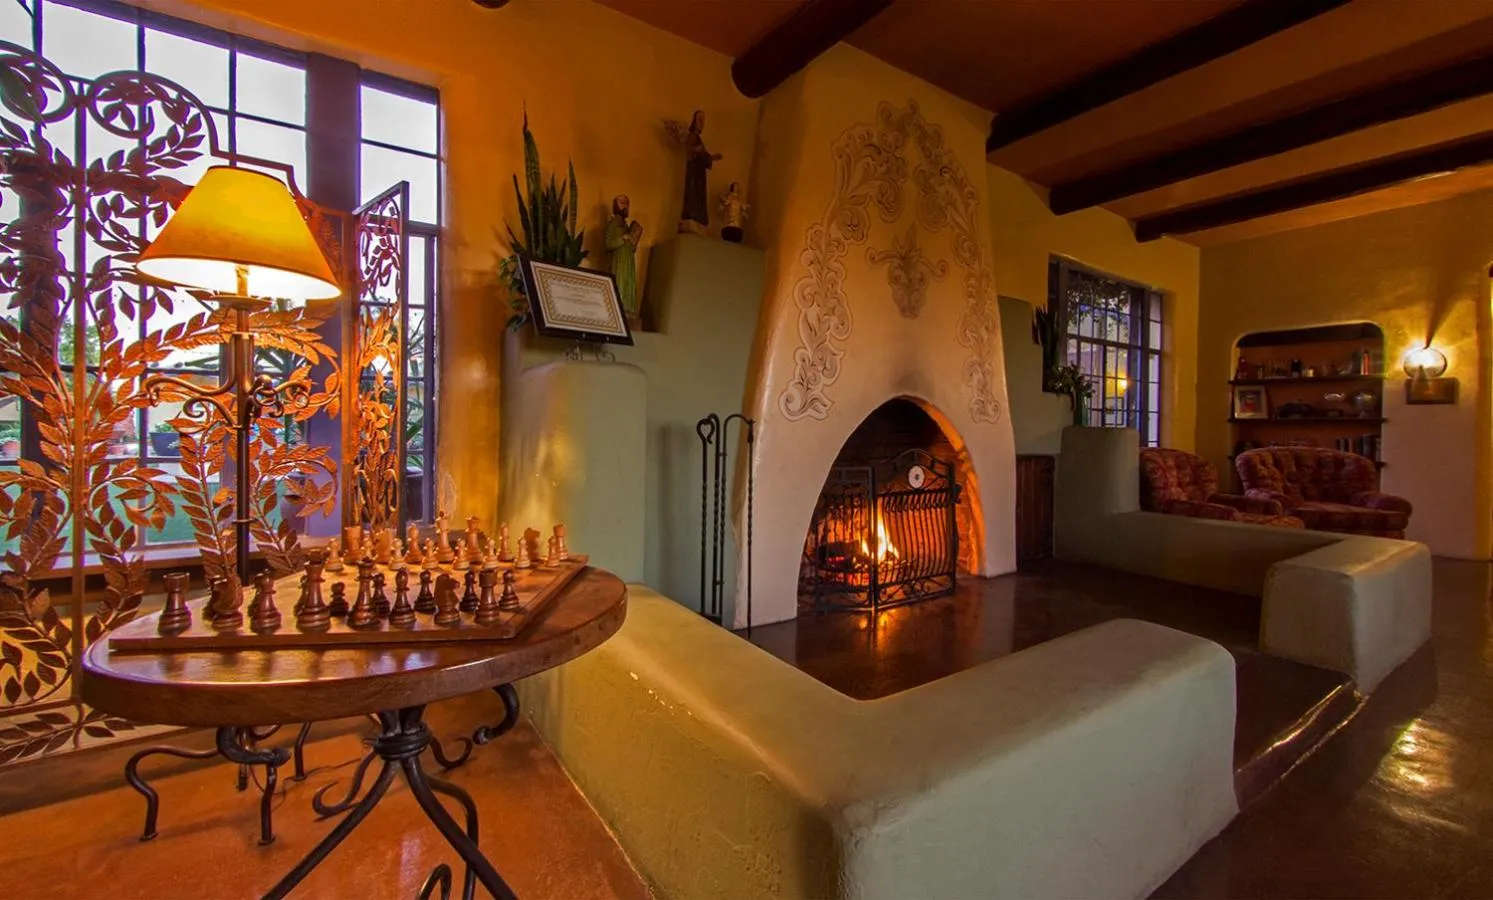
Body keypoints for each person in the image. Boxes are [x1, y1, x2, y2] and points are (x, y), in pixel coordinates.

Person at [605, 194, 644, 323]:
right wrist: (622, 238)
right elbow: (608, 243)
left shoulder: (627, 227)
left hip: (628, 262)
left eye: (627, 203)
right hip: (619, 261)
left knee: (628, 284)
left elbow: (632, 246)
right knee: (618, 283)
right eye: (622, 202)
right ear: (615, 205)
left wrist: (634, 236)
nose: (625, 206)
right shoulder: (612, 225)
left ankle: (628, 310)